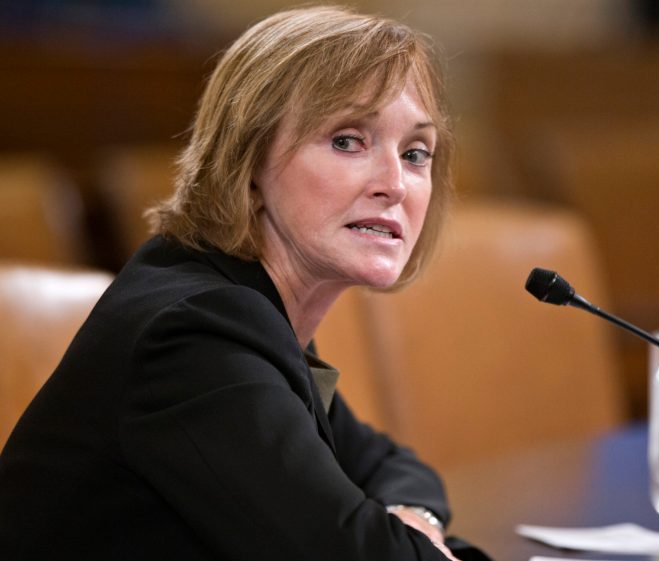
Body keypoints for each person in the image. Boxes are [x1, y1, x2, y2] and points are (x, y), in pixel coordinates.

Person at [0, 6, 490, 560]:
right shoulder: (195, 336)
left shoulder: (250, 310)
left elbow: (389, 465)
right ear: (248, 160)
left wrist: (413, 517)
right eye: (348, 140)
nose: (395, 184)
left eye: (415, 153)